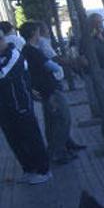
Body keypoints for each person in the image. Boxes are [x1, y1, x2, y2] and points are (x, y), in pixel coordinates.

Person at [20, 21, 76, 166]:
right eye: (38, 31)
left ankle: (55, 151)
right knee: (63, 118)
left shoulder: (27, 50)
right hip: (50, 90)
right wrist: (58, 67)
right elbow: (50, 65)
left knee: (52, 121)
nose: (40, 34)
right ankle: (57, 151)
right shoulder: (32, 51)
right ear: (33, 33)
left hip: (45, 89)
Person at [0, 34, 52, 184]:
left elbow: (3, 76)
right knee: (15, 140)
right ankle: (29, 169)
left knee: (31, 137)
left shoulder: (14, 55)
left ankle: (44, 170)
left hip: (21, 104)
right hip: (4, 109)